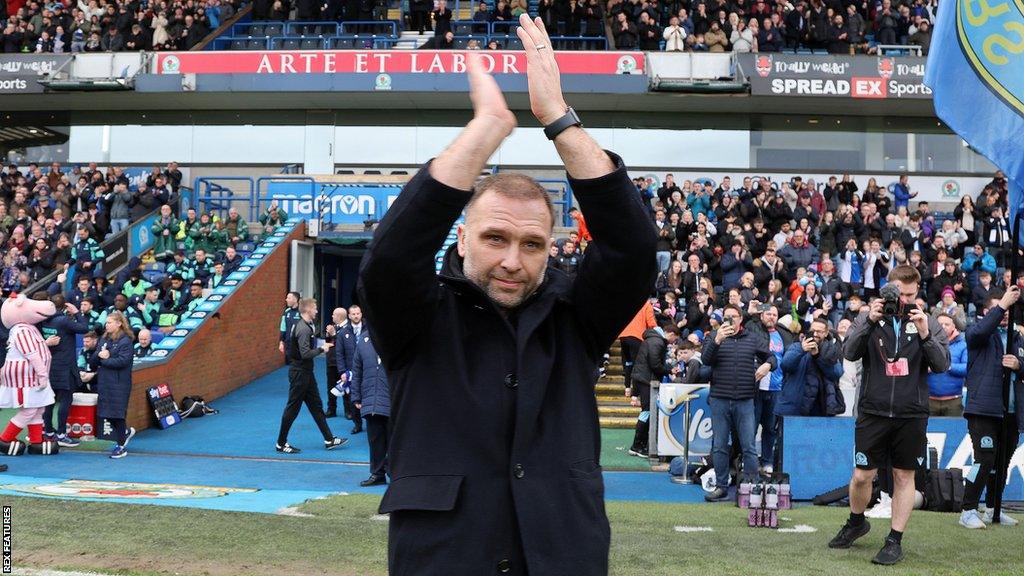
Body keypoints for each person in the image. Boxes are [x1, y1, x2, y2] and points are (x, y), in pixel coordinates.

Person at [356, 17, 656, 574]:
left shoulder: (576, 318)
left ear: (551, 248)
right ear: (463, 237)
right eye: (495, 238)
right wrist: (488, 127)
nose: (513, 261)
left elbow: (633, 251)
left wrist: (557, 118)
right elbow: (392, 257)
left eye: (532, 244)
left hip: (562, 556)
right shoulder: (417, 319)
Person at [829, 265, 949, 565]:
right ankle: (857, 521)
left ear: (917, 292)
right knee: (861, 476)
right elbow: (850, 352)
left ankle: (894, 539)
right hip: (873, 410)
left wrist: (924, 334)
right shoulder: (869, 316)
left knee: (903, 475)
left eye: (910, 294)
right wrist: (869, 320)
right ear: (888, 289)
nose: (904, 300)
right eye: (899, 294)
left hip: (911, 413)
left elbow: (942, 364)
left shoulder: (929, 322)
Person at [959, 288, 1024, 528]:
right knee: (984, 460)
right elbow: (978, 333)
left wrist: (1019, 365)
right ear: (986, 311)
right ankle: (968, 509)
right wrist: (1003, 305)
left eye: (1008, 309)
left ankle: (993, 509)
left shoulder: (1017, 338)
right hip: (983, 409)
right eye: (999, 308)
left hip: (1010, 411)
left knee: (1002, 463)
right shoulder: (978, 332)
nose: (1005, 313)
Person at [700, 304, 776, 501]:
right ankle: (721, 486)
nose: (730, 320)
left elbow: (772, 357)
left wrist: (767, 365)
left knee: (749, 445)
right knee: (719, 445)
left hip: (744, 399)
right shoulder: (713, 336)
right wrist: (717, 340)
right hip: (719, 398)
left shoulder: (752, 338)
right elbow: (706, 361)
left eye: (733, 316)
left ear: (741, 319)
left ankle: (753, 488)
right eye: (726, 316)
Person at [276, 298, 347, 454]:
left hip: (306, 373)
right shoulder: (304, 329)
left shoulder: (307, 326)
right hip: (300, 373)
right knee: (292, 408)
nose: (316, 310)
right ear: (307, 310)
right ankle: (281, 443)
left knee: (316, 406)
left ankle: (329, 439)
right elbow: (305, 353)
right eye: (315, 308)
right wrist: (323, 348)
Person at [746, 303, 794, 472]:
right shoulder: (753, 329)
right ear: (761, 316)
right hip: (756, 387)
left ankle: (767, 462)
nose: (771, 317)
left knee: (770, 428)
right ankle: (749, 462)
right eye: (768, 314)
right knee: (750, 428)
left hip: (777, 388)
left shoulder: (784, 335)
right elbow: (742, 324)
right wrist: (750, 313)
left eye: (774, 315)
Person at [39, 293, 90, 447]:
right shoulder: (64, 320)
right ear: (64, 306)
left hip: (49, 366)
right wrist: (76, 312)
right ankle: (61, 434)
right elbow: (84, 328)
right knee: (66, 399)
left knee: (49, 401)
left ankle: (48, 431)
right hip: (65, 367)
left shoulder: (42, 321)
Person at [628, 324, 678, 457]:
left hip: (641, 377)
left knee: (646, 411)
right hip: (647, 379)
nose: (673, 342)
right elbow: (655, 364)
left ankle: (639, 444)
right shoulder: (657, 342)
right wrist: (669, 370)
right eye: (674, 339)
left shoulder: (651, 339)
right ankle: (638, 445)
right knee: (647, 411)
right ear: (671, 333)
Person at [92, 311, 137, 459]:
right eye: (106, 322)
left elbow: (122, 362)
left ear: (119, 324)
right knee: (105, 414)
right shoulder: (104, 339)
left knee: (117, 414)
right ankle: (124, 433)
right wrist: (99, 356)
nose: (107, 325)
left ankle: (121, 446)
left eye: (110, 322)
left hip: (119, 383)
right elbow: (94, 360)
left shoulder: (126, 341)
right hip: (104, 382)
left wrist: (105, 359)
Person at [350, 325, 390, 487]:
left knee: (395, 439)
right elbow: (356, 370)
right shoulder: (364, 341)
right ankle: (377, 473)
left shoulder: (397, 338)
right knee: (375, 440)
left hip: (392, 398)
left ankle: (395, 471)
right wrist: (356, 396)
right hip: (370, 399)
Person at [927, 313, 967, 417]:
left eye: (947, 324)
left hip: (954, 401)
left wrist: (946, 365)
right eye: (940, 324)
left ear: (954, 326)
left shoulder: (963, 345)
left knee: (954, 431)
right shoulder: (926, 343)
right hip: (928, 400)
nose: (943, 326)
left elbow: (967, 368)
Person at [335, 304, 365, 434]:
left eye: (358, 313)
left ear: (361, 314)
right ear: (349, 316)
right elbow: (339, 353)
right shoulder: (343, 333)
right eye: (353, 314)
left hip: (368, 369)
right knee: (354, 398)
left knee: (370, 396)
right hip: (351, 371)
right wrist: (342, 371)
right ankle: (357, 424)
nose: (356, 316)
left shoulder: (369, 329)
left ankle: (373, 424)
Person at [323, 307, 347, 418]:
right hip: (331, 362)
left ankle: (349, 411)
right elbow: (329, 343)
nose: (332, 317)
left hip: (343, 363)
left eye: (333, 315)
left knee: (346, 387)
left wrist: (333, 334)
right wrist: (328, 335)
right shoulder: (334, 327)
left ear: (339, 316)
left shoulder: (348, 329)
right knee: (330, 387)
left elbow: (343, 344)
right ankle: (331, 409)